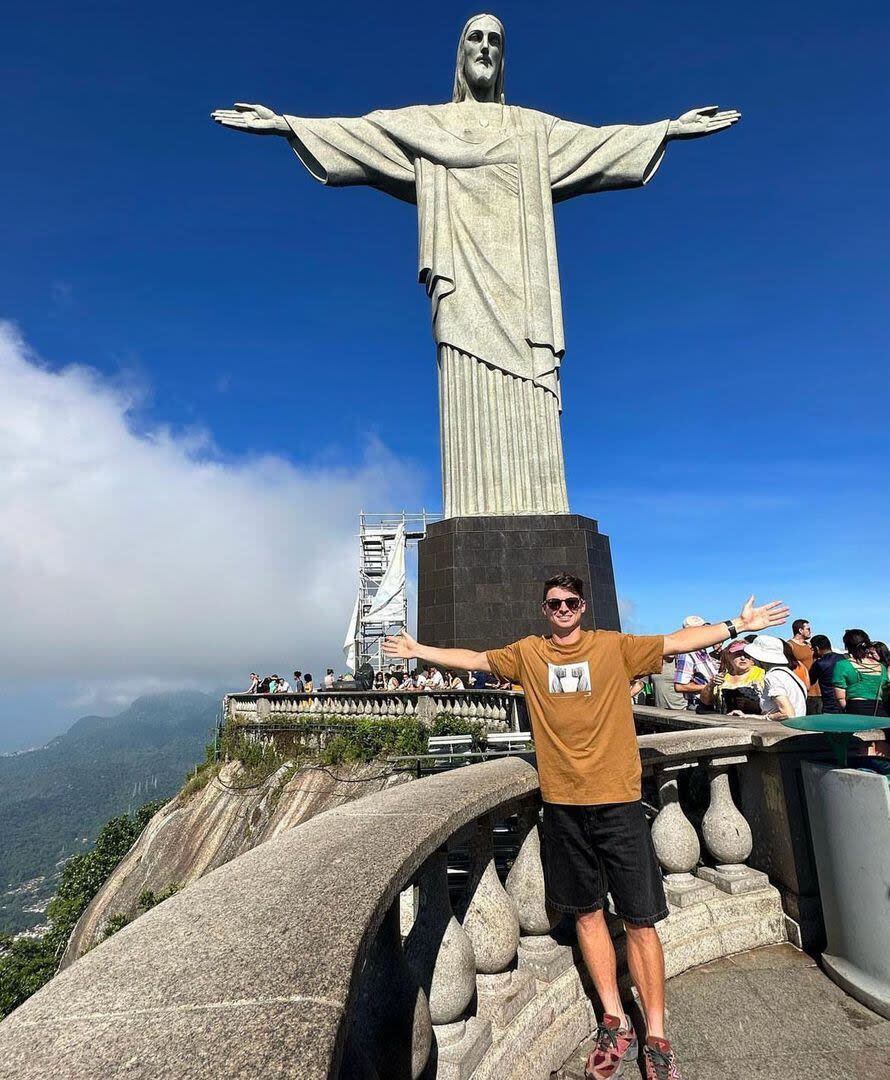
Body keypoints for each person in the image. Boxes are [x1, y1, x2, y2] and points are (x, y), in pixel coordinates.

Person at [384, 573, 788, 1080]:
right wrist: (418, 648)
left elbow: (675, 641)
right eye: (554, 603)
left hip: (619, 802)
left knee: (640, 920)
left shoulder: (612, 647)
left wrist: (734, 625)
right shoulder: (529, 654)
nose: (562, 609)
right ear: (544, 608)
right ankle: (615, 1021)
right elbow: (475, 659)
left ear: (583, 606)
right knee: (588, 915)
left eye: (571, 602)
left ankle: (657, 1033)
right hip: (563, 807)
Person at [737, 636, 807, 721]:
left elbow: (787, 714)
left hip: (784, 731)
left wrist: (766, 717)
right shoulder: (788, 674)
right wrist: (749, 716)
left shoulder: (773, 677)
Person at [833, 630, 888, 719]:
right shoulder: (881, 667)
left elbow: (840, 698)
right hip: (879, 711)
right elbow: (884, 691)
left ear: (847, 646)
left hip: (855, 710)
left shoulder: (842, 665)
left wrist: (845, 711)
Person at [673, 617, 719, 710]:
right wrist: (709, 687)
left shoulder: (703, 651)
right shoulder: (687, 653)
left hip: (710, 703)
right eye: (701, 629)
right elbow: (680, 686)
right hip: (699, 706)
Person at [713, 641, 765, 715]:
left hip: (755, 723)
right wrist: (711, 685)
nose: (743, 658)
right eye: (738, 654)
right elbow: (706, 702)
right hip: (723, 721)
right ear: (729, 656)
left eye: (746, 655)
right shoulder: (722, 676)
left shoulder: (763, 674)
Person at [787, 619, 820, 714]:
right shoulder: (790, 645)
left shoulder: (810, 645)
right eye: (808, 629)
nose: (810, 631)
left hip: (818, 690)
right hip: (803, 691)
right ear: (800, 630)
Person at [809, 635, 843, 714]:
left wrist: (814, 661)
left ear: (817, 649)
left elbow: (811, 681)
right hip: (845, 704)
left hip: (829, 706)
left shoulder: (819, 663)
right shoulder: (843, 658)